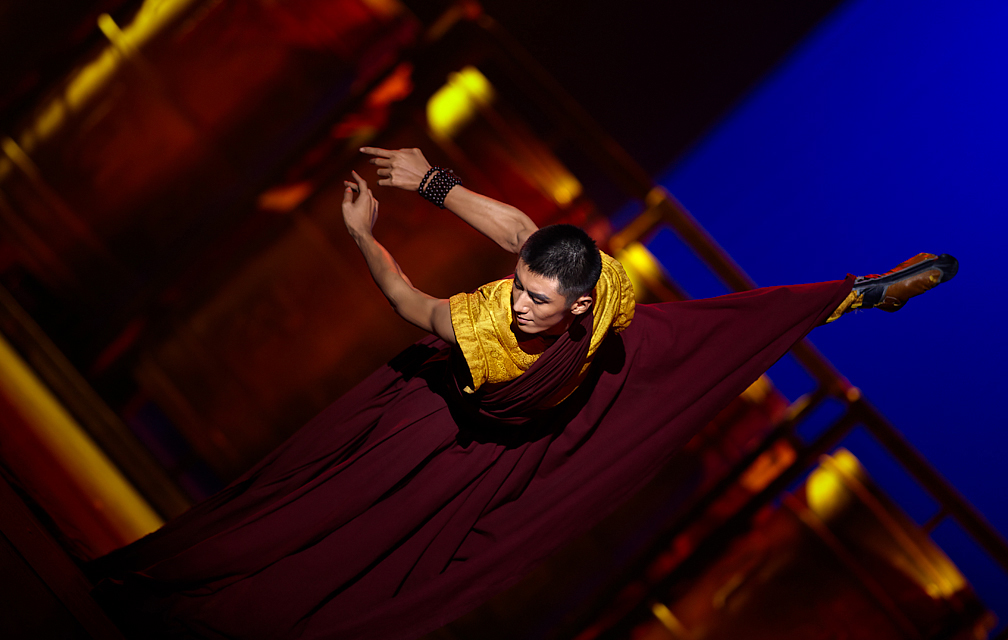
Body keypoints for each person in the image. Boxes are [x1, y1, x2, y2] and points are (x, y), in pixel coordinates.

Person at [88, 147, 957, 640]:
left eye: (540, 298)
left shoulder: (548, 313)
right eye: (520, 288)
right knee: (677, 341)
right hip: (484, 413)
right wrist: (415, 196)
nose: (519, 302)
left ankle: (847, 296)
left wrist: (385, 217)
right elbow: (487, 251)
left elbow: (450, 273)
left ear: (582, 302)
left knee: (690, 344)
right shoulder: (536, 302)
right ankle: (851, 296)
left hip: (487, 430)